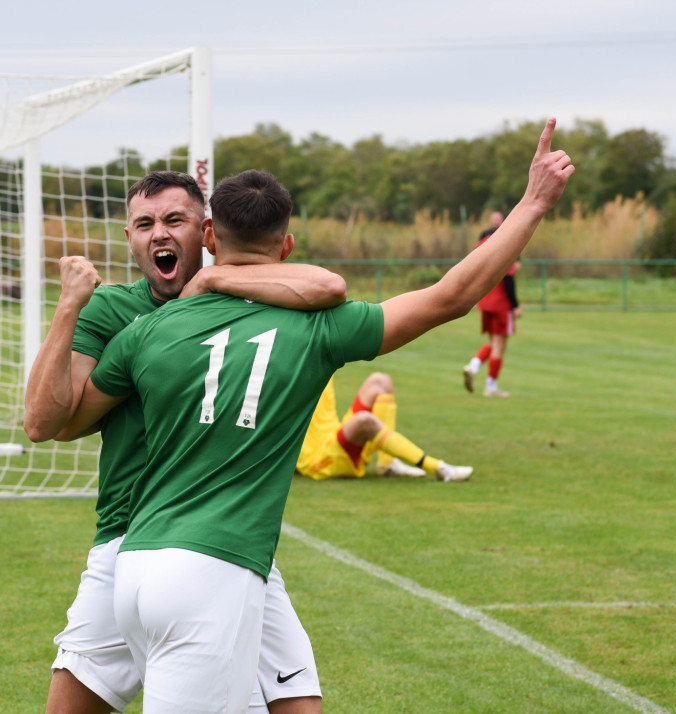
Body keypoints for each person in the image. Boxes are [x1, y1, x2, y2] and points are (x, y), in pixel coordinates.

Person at [58, 118, 573, 714]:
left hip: (137, 562)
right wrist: (533, 203)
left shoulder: (146, 330)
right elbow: (453, 294)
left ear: (209, 238)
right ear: (288, 246)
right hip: (214, 569)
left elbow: (64, 420)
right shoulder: (324, 327)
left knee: (296, 700)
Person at [24, 171, 344, 714]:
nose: (159, 235)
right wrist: (69, 306)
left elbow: (328, 288)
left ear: (208, 232)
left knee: (296, 701)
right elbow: (46, 422)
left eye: (175, 220)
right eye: (144, 224)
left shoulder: (256, 298)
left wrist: (217, 283)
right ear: (129, 238)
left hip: (227, 543)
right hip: (128, 538)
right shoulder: (113, 312)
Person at [296, 372, 473, 482]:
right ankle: (439, 469)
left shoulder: (317, 351)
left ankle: (387, 464)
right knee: (364, 420)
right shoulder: (281, 369)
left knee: (380, 381)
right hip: (319, 460)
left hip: (334, 436)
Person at [461, 211, 522, 397]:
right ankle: (491, 386)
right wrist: (515, 305)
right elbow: (509, 277)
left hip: (485, 301)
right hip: (501, 303)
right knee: (500, 344)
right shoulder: (505, 245)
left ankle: (474, 365)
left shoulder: (482, 244)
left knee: (493, 341)